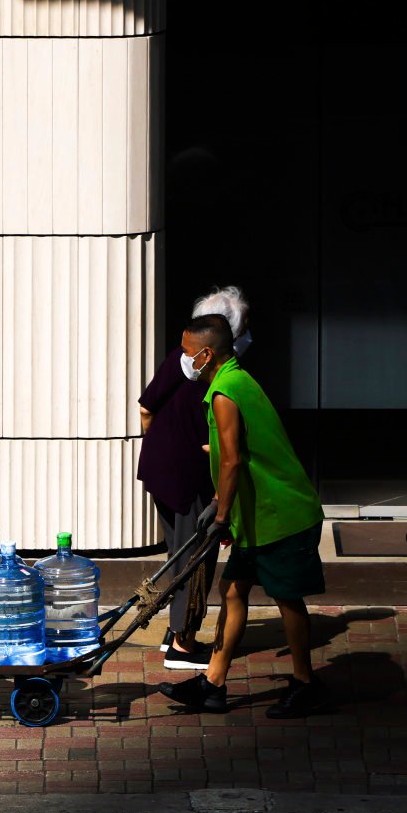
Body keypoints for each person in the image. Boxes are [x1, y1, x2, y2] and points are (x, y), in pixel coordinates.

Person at [161, 315, 328, 718]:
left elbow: (234, 459)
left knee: (287, 598)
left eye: (186, 352)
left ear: (205, 353)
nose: (182, 359)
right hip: (256, 516)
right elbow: (235, 455)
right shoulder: (235, 379)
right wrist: (222, 500)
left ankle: (305, 683)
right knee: (233, 591)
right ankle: (213, 684)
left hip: (280, 514)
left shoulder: (225, 392)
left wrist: (221, 510)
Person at [138, 285, 254, 671]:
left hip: (161, 469)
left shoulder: (180, 359)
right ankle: (183, 646)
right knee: (194, 560)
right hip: (188, 478)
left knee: (178, 554)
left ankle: (174, 631)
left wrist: (161, 446)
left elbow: (145, 408)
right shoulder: (214, 376)